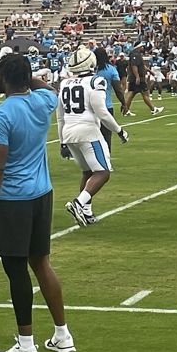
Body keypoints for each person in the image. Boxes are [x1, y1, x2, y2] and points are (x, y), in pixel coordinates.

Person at [0, 53, 75, 352]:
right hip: (41, 194)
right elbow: (45, 87)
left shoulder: (1, 115)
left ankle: (26, 345)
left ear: (4, 78)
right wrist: (23, 74)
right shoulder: (42, 102)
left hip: (12, 200)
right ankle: (62, 335)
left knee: (16, 269)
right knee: (41, 263)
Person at [58, 48, 127, 227]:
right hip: (88, 130)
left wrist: (62, 142)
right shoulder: (96, 81)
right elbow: (102, 113)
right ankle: (79, 203)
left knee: (88, 172)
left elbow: (60, 116)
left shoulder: (65, 84)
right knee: (103, 172)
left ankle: (86, 213)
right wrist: (119, 131)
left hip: (69, 132)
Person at [121, 44, 164, 117]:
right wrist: (137, 76)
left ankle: (125, 110)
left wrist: (150, 71)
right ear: (138, 47)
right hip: (138, 78)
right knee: (145, 93)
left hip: (135, 78)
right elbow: (134, 66)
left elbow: (141, 65)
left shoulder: (136, 54)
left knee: (131, 94)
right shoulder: (135, 55)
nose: (143, 48)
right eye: (141, 47)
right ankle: (153, 109)